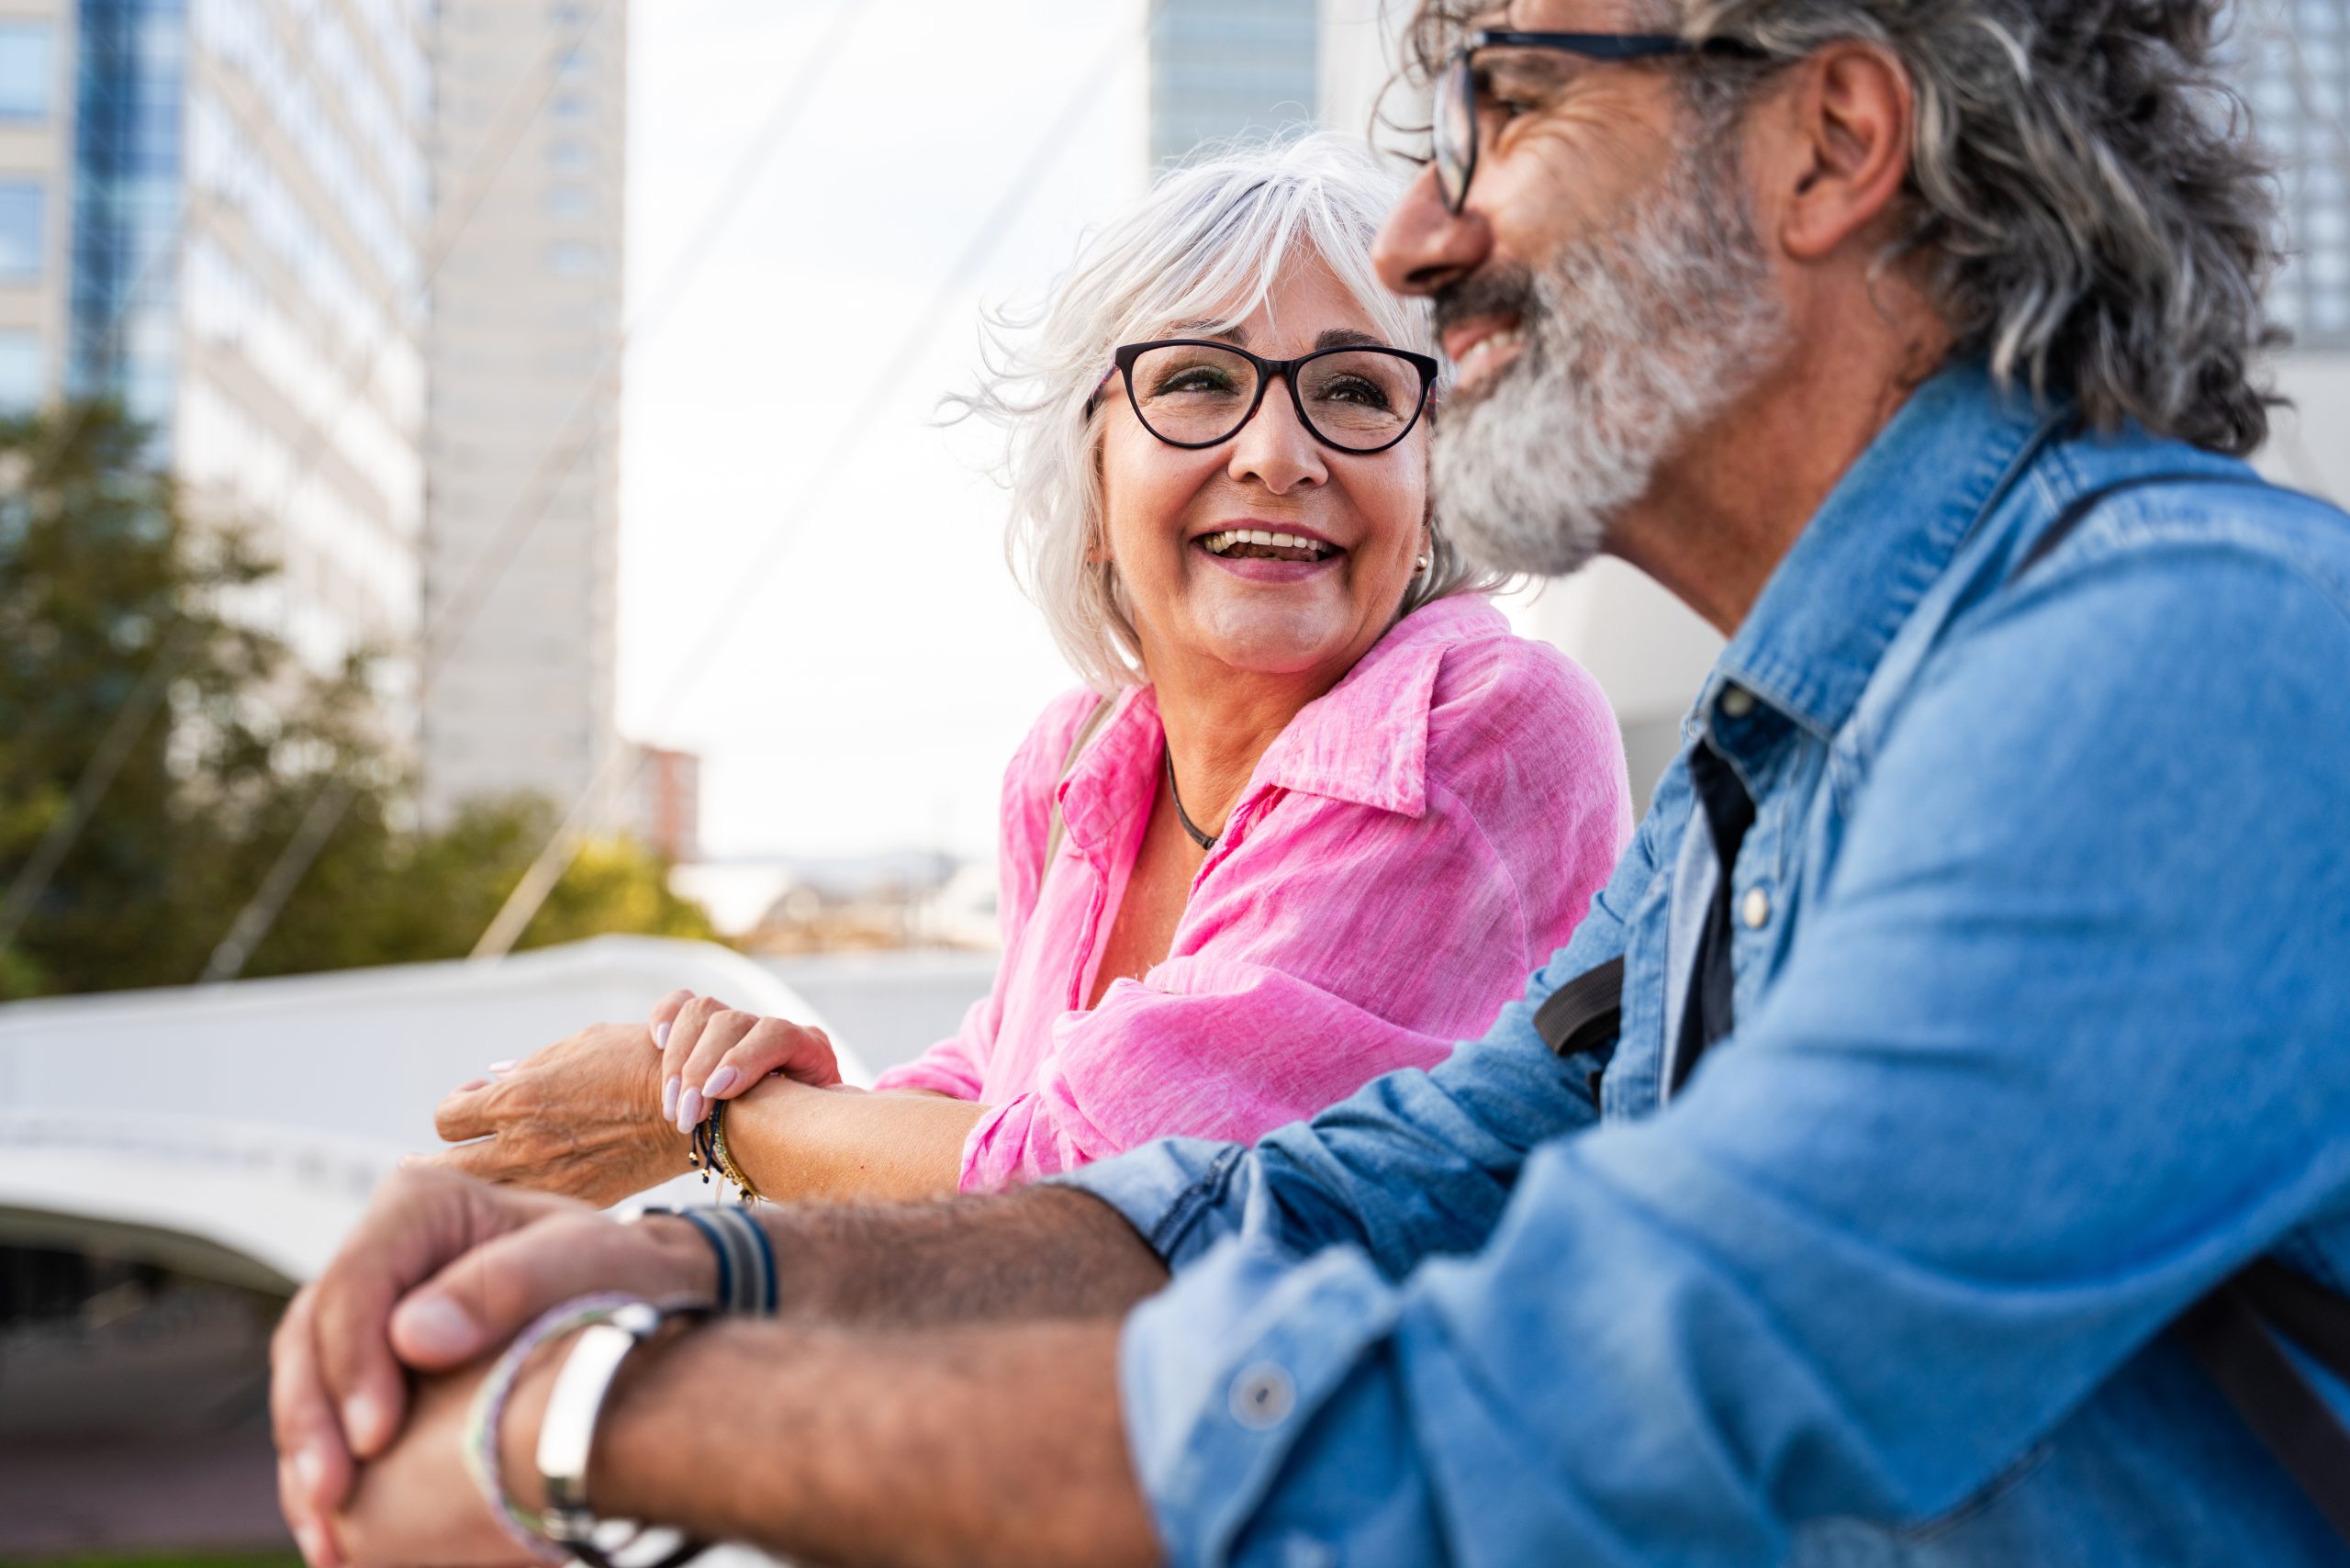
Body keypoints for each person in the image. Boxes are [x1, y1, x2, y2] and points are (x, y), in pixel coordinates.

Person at [274, 3, 2350, 1565]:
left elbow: (1581, 1397)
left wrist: (590, 1417)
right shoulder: (1769, 763)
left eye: (1509, 103)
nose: (1427, 237)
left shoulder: (2166, 674)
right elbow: (1323, 1196)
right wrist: (682, 1264)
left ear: (1826, 141)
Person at [424, 134, 1630, 1207]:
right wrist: (765, 1071)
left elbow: (1096, 1188)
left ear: (1438, 475)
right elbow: (1000, 1082)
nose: (1276, 453)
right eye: (1199, 380)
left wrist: (694, 1120)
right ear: (1092, 477)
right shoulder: (1073, 767)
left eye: (1358, 391)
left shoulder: (1483, 730)